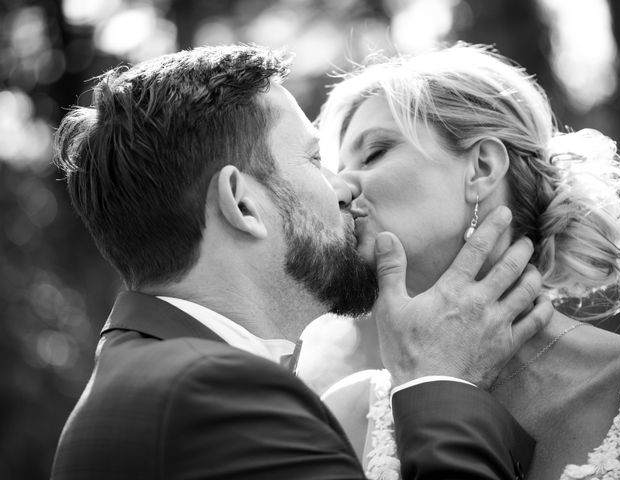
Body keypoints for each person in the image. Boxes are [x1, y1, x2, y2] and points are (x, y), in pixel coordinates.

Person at [49, 44, 551, 480]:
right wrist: (443, 383)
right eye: (314, 160)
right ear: (242, 204)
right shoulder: (221, 395)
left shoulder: (148, 382)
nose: (341, 187)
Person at [317, 42, 620, 480]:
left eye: (373, 153)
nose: (339, 187)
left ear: (483, 168)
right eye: (336, 168)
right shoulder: (347, 419)